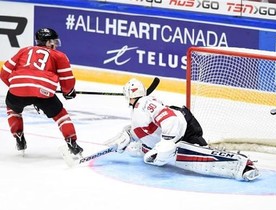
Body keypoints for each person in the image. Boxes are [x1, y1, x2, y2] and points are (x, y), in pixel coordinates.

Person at [108, 78, 259, 181]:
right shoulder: (138, 109)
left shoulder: (144, 103)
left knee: (200, 153)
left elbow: (169, 118)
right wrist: (130, 136)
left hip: (184, 127)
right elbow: (149, 129)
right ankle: (235, 163)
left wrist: (167, 141)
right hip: (177, 131)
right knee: (188, 156)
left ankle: (242, 164)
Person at [0, 28, 83, 156]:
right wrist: (69, 92)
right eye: (54, 41)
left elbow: (4, 73)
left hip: (17, 90)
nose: (55, 44)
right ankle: (72, 144)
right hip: (44, 92)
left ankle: (19, 137)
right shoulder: (59, 56)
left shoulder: (24, 50)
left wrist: (17, 87)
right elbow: (67, 80)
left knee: (13, 109)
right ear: (49, 42)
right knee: (61, 115)